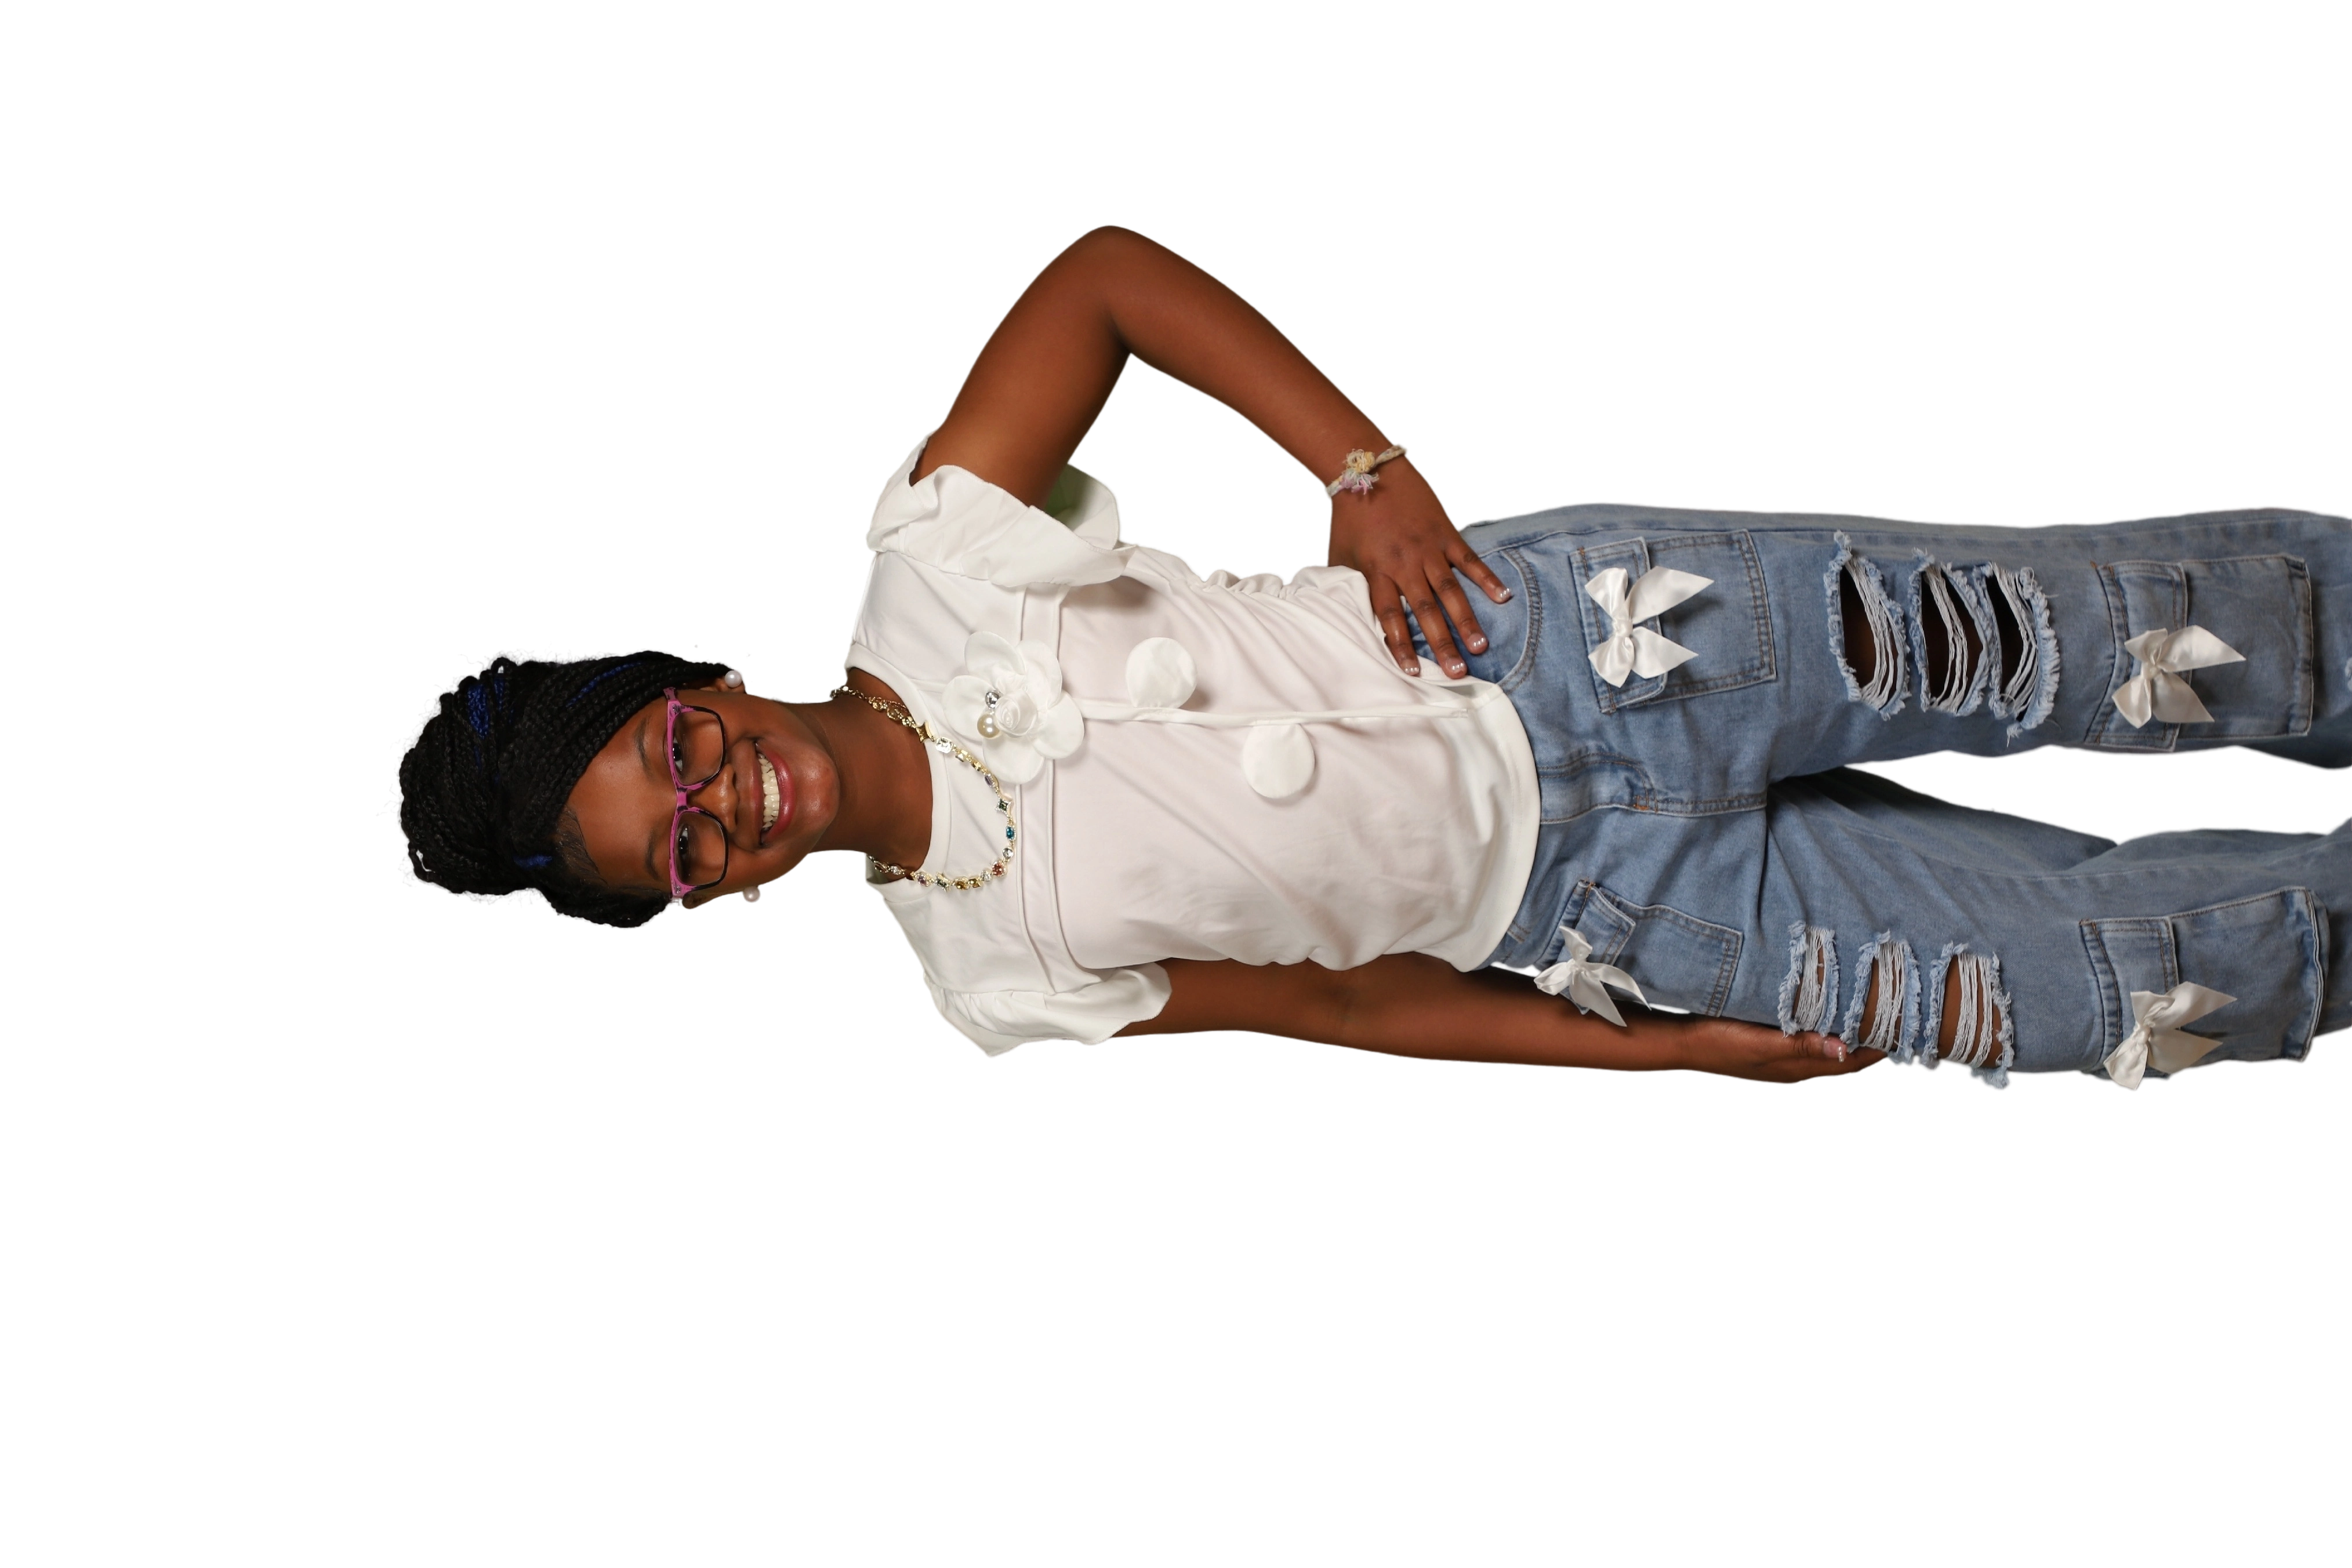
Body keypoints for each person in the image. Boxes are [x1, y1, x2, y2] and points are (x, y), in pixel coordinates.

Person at [384, 224, 2352, 1092]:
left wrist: (1362, 470)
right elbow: (1354, 1005)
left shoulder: (932, 568)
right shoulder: (995, 982)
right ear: (696, 901)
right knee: (2126, 996)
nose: (724, 803)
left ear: (695, 683)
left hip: (1598, 651)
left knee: (2130, 646)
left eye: (677, 751)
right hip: (1615, 919)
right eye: (679, 848)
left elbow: (1103, 276)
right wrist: (1662, 1052)